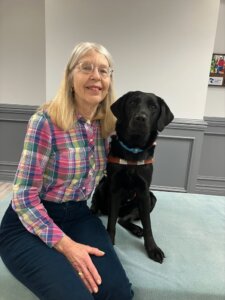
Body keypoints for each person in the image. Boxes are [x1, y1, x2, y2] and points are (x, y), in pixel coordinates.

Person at [0, 42, 134, 300]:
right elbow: (23, 195)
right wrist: (67, 246)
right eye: (86, 67)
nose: (96, 76)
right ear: (70, 75)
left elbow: (125, 164)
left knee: (117, 293)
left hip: (78, 215)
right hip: (27, 223)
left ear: (109, 81)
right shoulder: (45, 122)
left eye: (104, 71)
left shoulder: (106, 127)